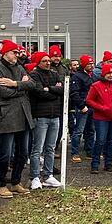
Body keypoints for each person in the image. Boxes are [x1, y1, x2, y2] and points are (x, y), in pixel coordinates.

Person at [0, 40, 35, 199]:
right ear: (5, 53)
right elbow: (3, 92)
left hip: (23, 114)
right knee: (6, 153)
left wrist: (15, 83)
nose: (17, 55)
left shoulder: (20, 67)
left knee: (23, 152)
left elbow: (32, 85)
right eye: (14, 52)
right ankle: (1, 184)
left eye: (17, 52)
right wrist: (22, 86)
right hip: (8, 115)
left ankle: (16, 182)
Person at [27, 51, 64, 189]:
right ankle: (35, 176)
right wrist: (53, 91)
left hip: (55, 115)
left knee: (51, 148)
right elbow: (39, 92)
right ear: (38, 62)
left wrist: (50, 89)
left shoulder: (55, 74)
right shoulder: (34, 75)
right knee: (37, 148)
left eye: (48, 60)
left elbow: (62, 90)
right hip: (41, 116)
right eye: (44, 61)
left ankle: (48, 175)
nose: (48, 63)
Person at [85, 63, 112, 174]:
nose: (111, 75)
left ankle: (108, 163)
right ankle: (95, 164)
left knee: (110, 141)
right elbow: (89, 100)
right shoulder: (96, 85)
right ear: (103, 74)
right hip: (101, 117)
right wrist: (102, 108)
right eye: (108, 73)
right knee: (100, 140)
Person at [70, 55, 96, 163]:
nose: (91, 65)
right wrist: (81, 106)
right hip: (83, 107)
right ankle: (75, 153)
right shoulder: (77, 76)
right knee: (78, 131)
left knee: (91, 130)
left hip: (92, 106)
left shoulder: (93, 76)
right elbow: (74, 93)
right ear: (84, 64)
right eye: (89, 64)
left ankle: (89, 151)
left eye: (92, 63)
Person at [48, 45, 68, 160]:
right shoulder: (48, 67)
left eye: (58, 56)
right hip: (51, 100)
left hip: (62, 100)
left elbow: (66, 82)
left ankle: (55, 148)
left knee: (60, 127)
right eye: (54, 56)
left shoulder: (64, 68)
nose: (56, 58)